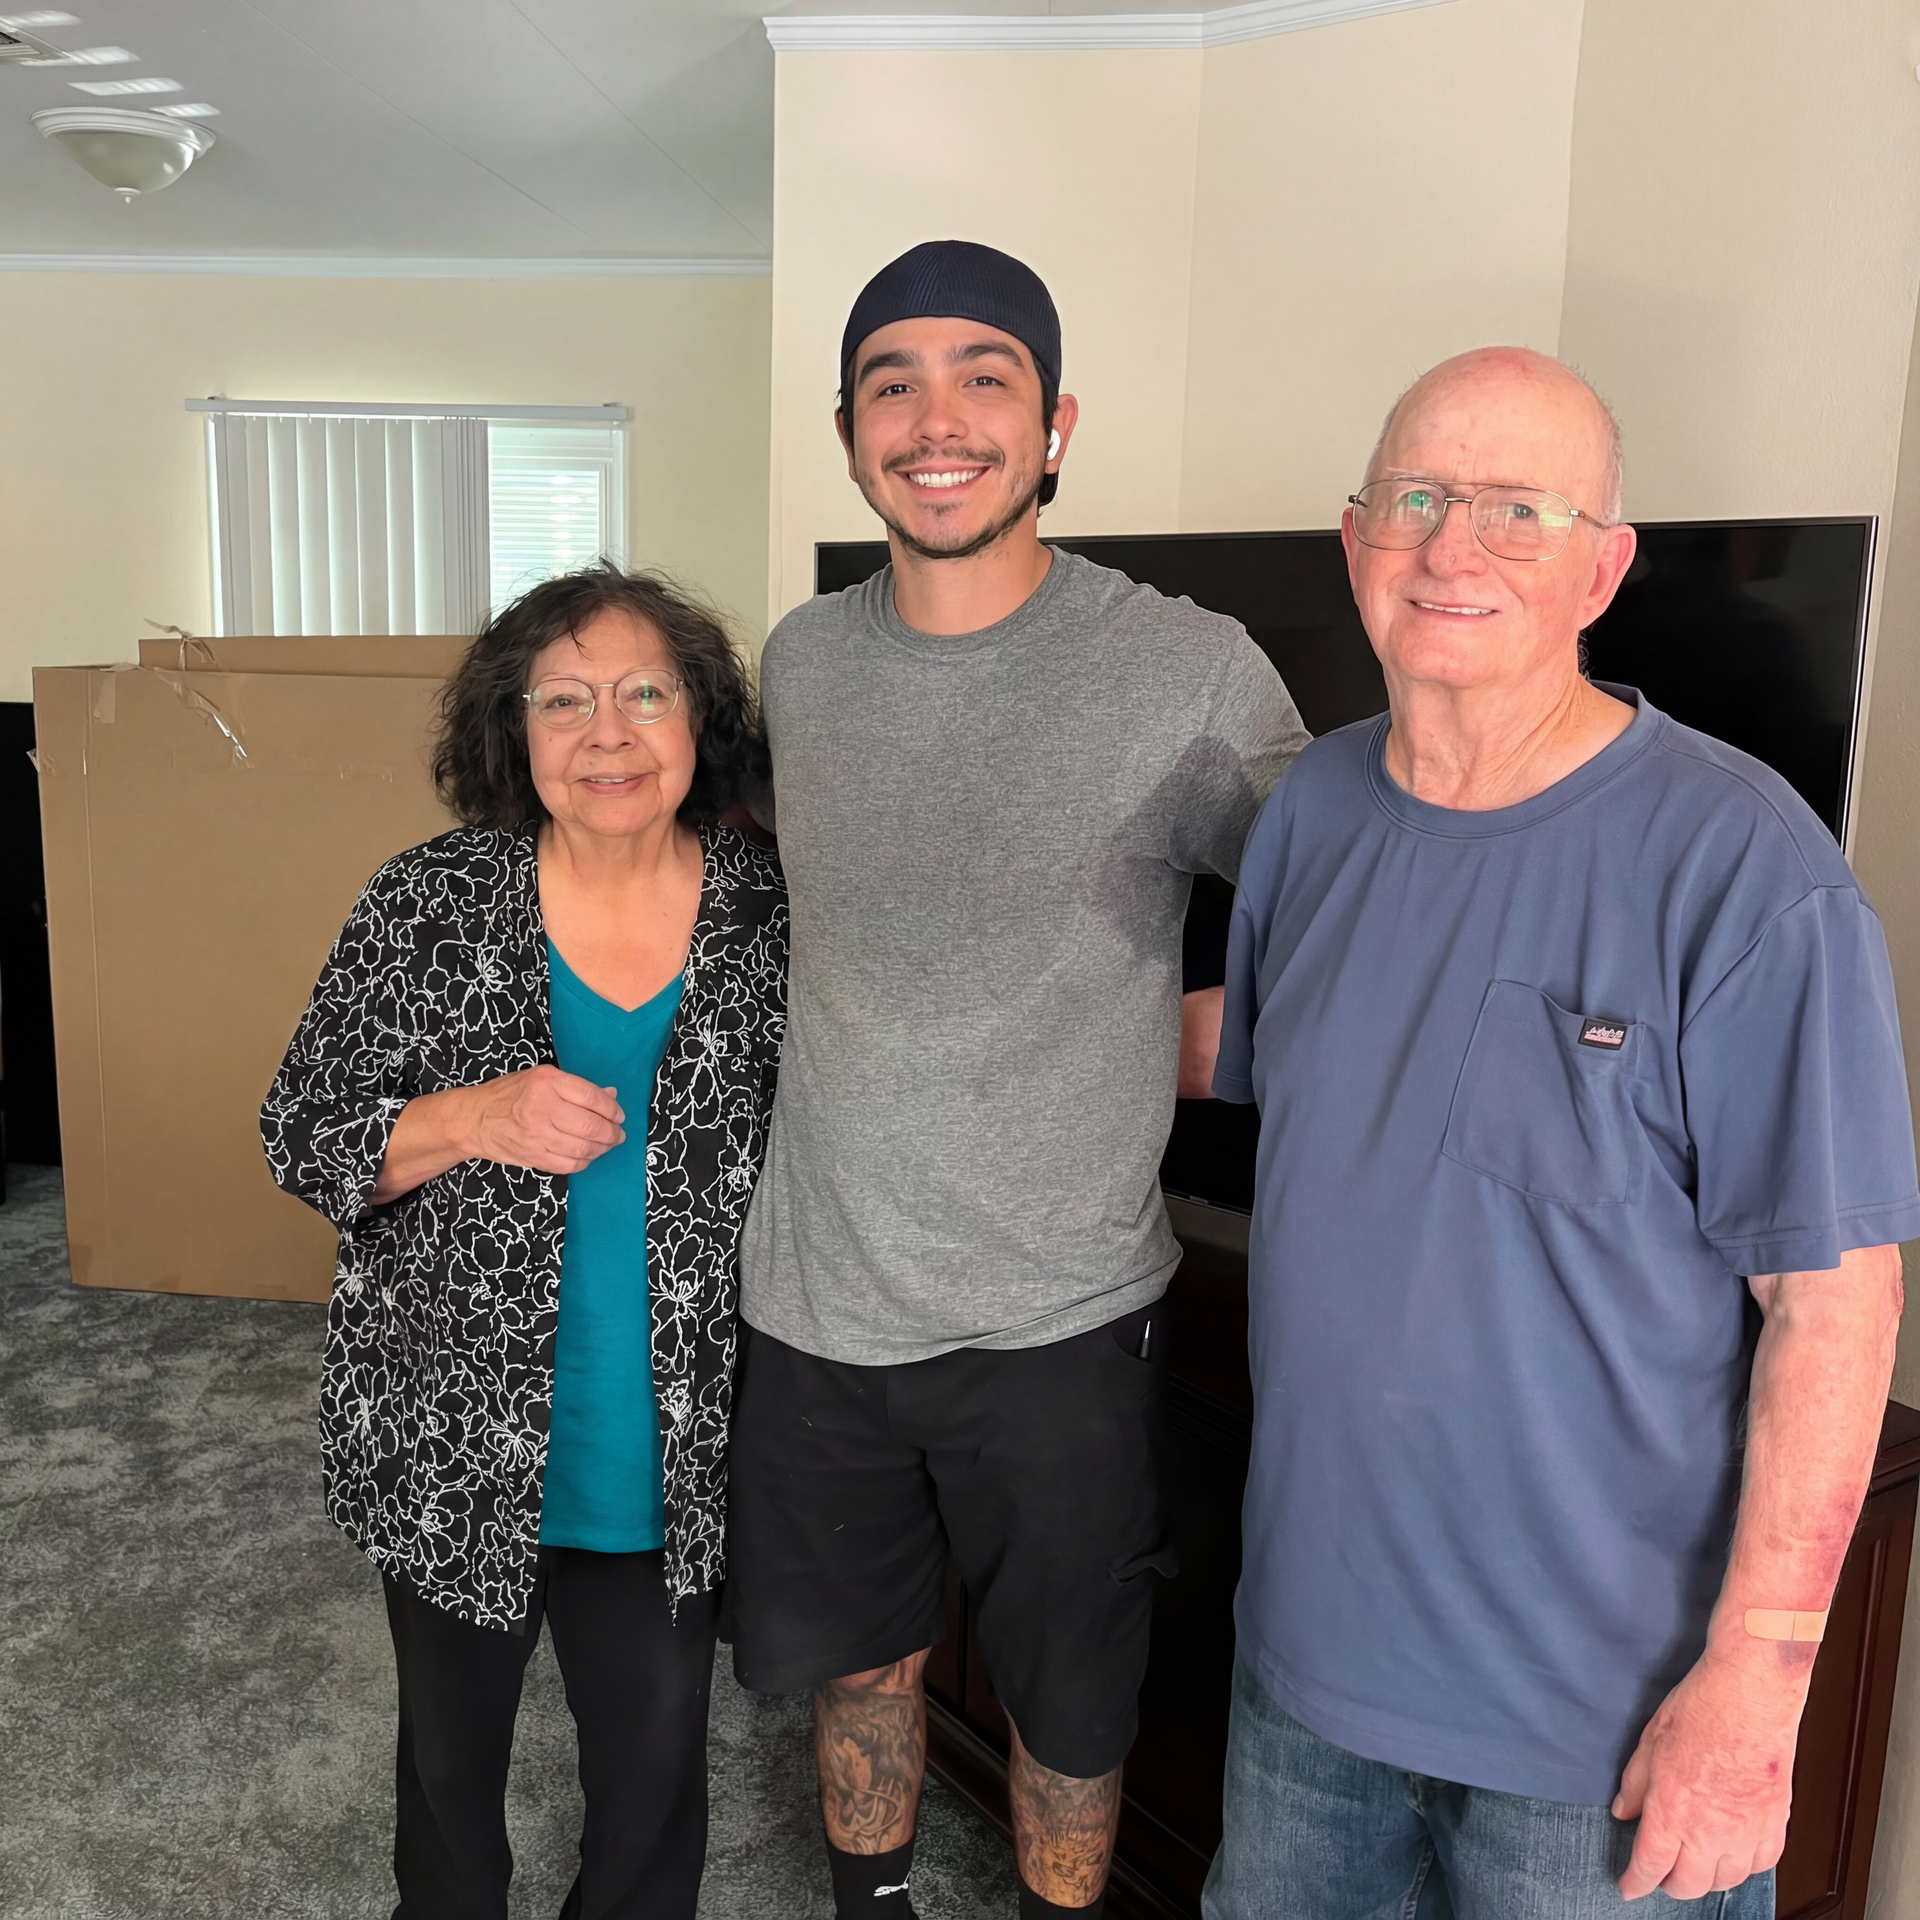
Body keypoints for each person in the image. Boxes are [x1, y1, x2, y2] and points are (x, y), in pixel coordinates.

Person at [1203, 347, 1920, 1916]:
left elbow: (1837, 1304)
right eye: (1415, 499)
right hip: (1304, 1682)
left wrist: (1759, 1689)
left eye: (1518, 509)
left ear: (1603, 568)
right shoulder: (1309, 817)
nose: (1452, 546)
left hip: (1600, 1736)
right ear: (1354, 540)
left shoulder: (1746, 870)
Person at [722, 238, 1311, 1920]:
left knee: (1070, 1714)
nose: (937, 419)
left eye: (985, 377)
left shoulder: (1186, 668)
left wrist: (1209, 1038)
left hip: (1059, 1321)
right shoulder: (803, 660)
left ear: (1055, 426)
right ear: (850, 434)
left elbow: (1362, 907)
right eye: (892, 383)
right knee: (860, 1671)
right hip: (818, 1301)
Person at [261, 566, 788, 1920]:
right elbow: (301, 1131)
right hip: (451, 1438)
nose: (608, 733)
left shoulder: (772, 912)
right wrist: (469, 1116)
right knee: (449, 1788)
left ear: (700, 718)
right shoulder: (427, 901)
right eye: (564, 701)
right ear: (515, 730)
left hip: (674, 1454)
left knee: (653, 1793)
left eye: (644, 693)